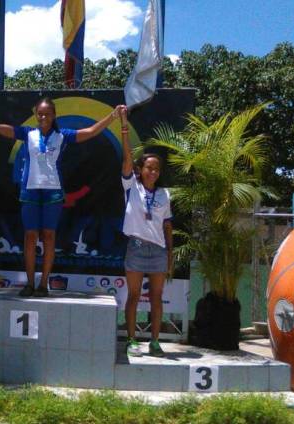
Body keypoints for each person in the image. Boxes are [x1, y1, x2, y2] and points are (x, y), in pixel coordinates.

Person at [0, 95, 124, 297]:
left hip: (53, 192)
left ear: (54, 115)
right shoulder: (27, 133)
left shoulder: (63, 135)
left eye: (47, 114)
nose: (43, 117)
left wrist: (113, 116)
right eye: (40, 113)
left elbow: (90, 131)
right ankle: (30, 283)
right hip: (30, 191)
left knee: (49, 237)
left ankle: (43, 284)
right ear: (35, 114)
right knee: (30, 237)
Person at [119, 106, 173, 357]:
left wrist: (170, 255)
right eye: (149, 167)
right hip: (137, 247)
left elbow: (167, 225)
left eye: (157, 169)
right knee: (133, 296)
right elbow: (127, 158)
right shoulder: (131, 186)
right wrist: (124, 128)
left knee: (157, 298)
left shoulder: (164, 194)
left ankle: (154, 341)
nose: (152, 171)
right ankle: (131, 339)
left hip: (159, 251)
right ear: (141, 169)